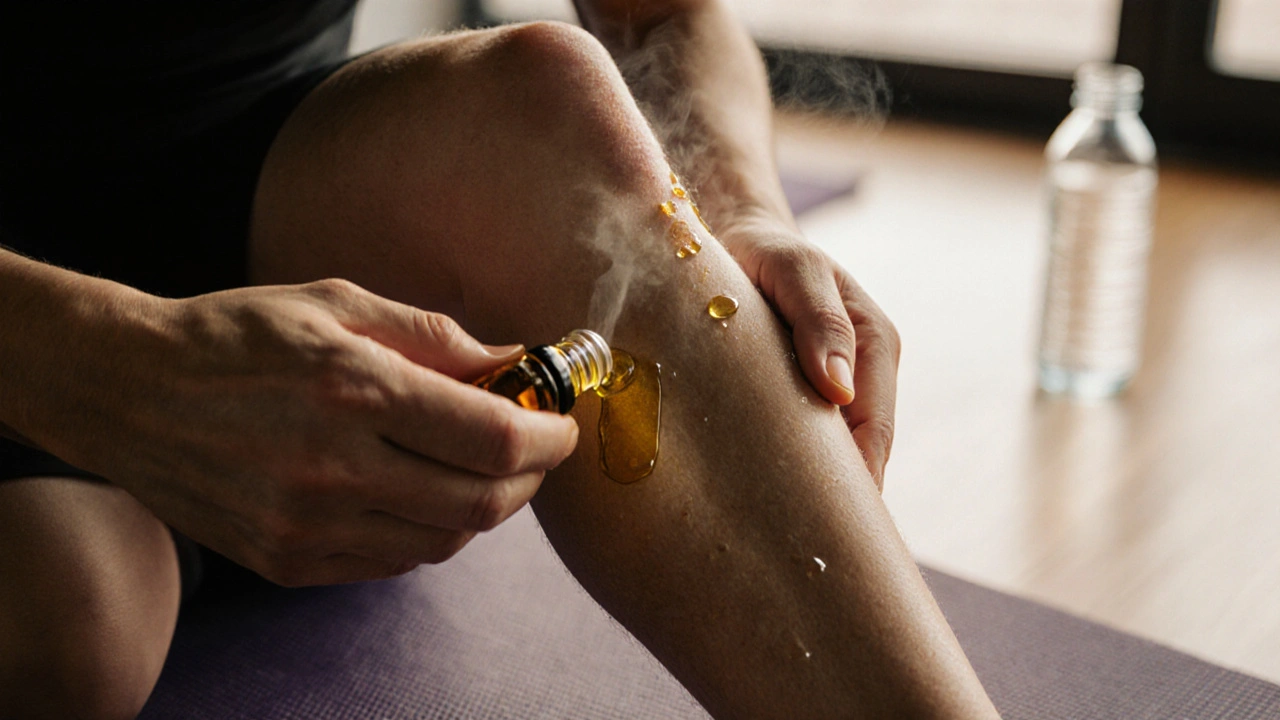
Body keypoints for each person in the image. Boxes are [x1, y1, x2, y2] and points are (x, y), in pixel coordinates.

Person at [0, 1, 1000, 717]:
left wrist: (736, 207)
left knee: (544, 100)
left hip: (242, 162)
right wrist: (115, 367)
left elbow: (660, 13)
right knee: (68, 618)